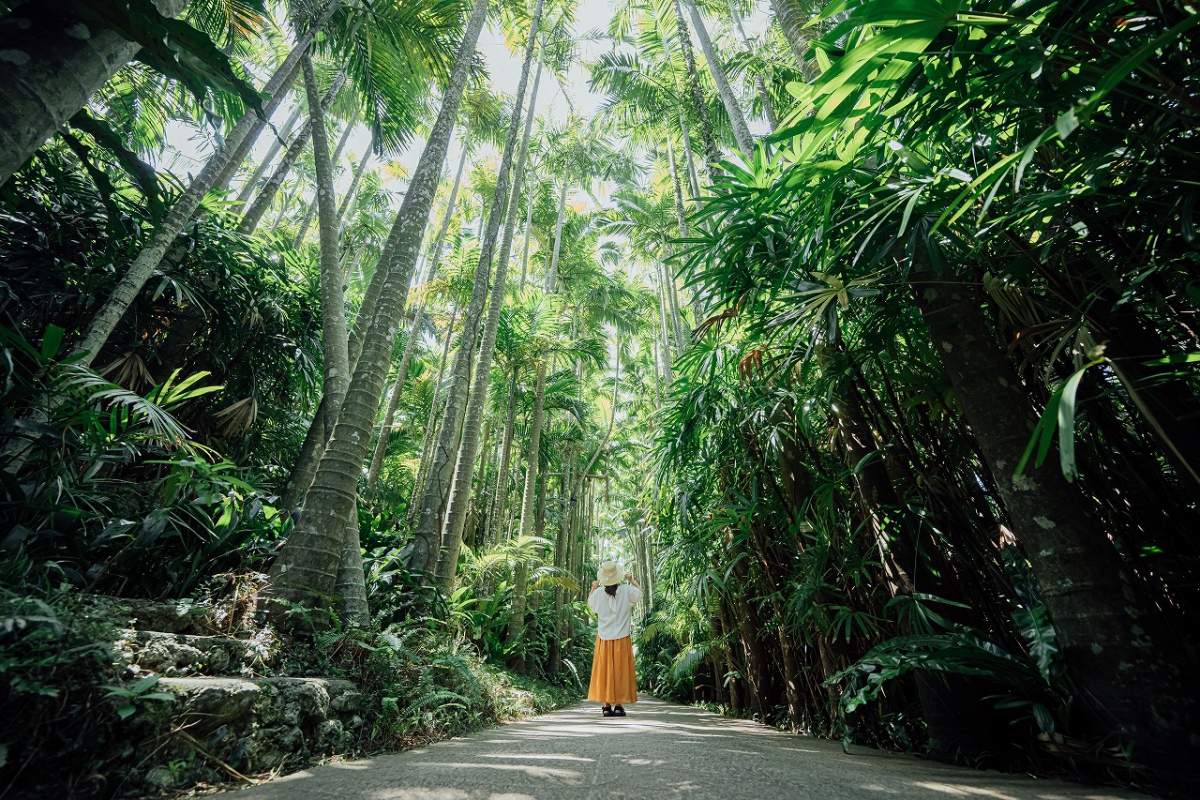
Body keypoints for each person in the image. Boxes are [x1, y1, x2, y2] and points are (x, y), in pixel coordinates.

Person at [586, 560, 643, 717]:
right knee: (620, 670)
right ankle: (618, 705)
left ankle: (606, 706)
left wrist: (593, 588)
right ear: (618, 577)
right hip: (622, 638)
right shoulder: (626, 590)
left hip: (604, 638)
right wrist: (632, 581)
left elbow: (590, 605)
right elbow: (641, 593)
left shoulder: (598, 593)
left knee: (605, 670)